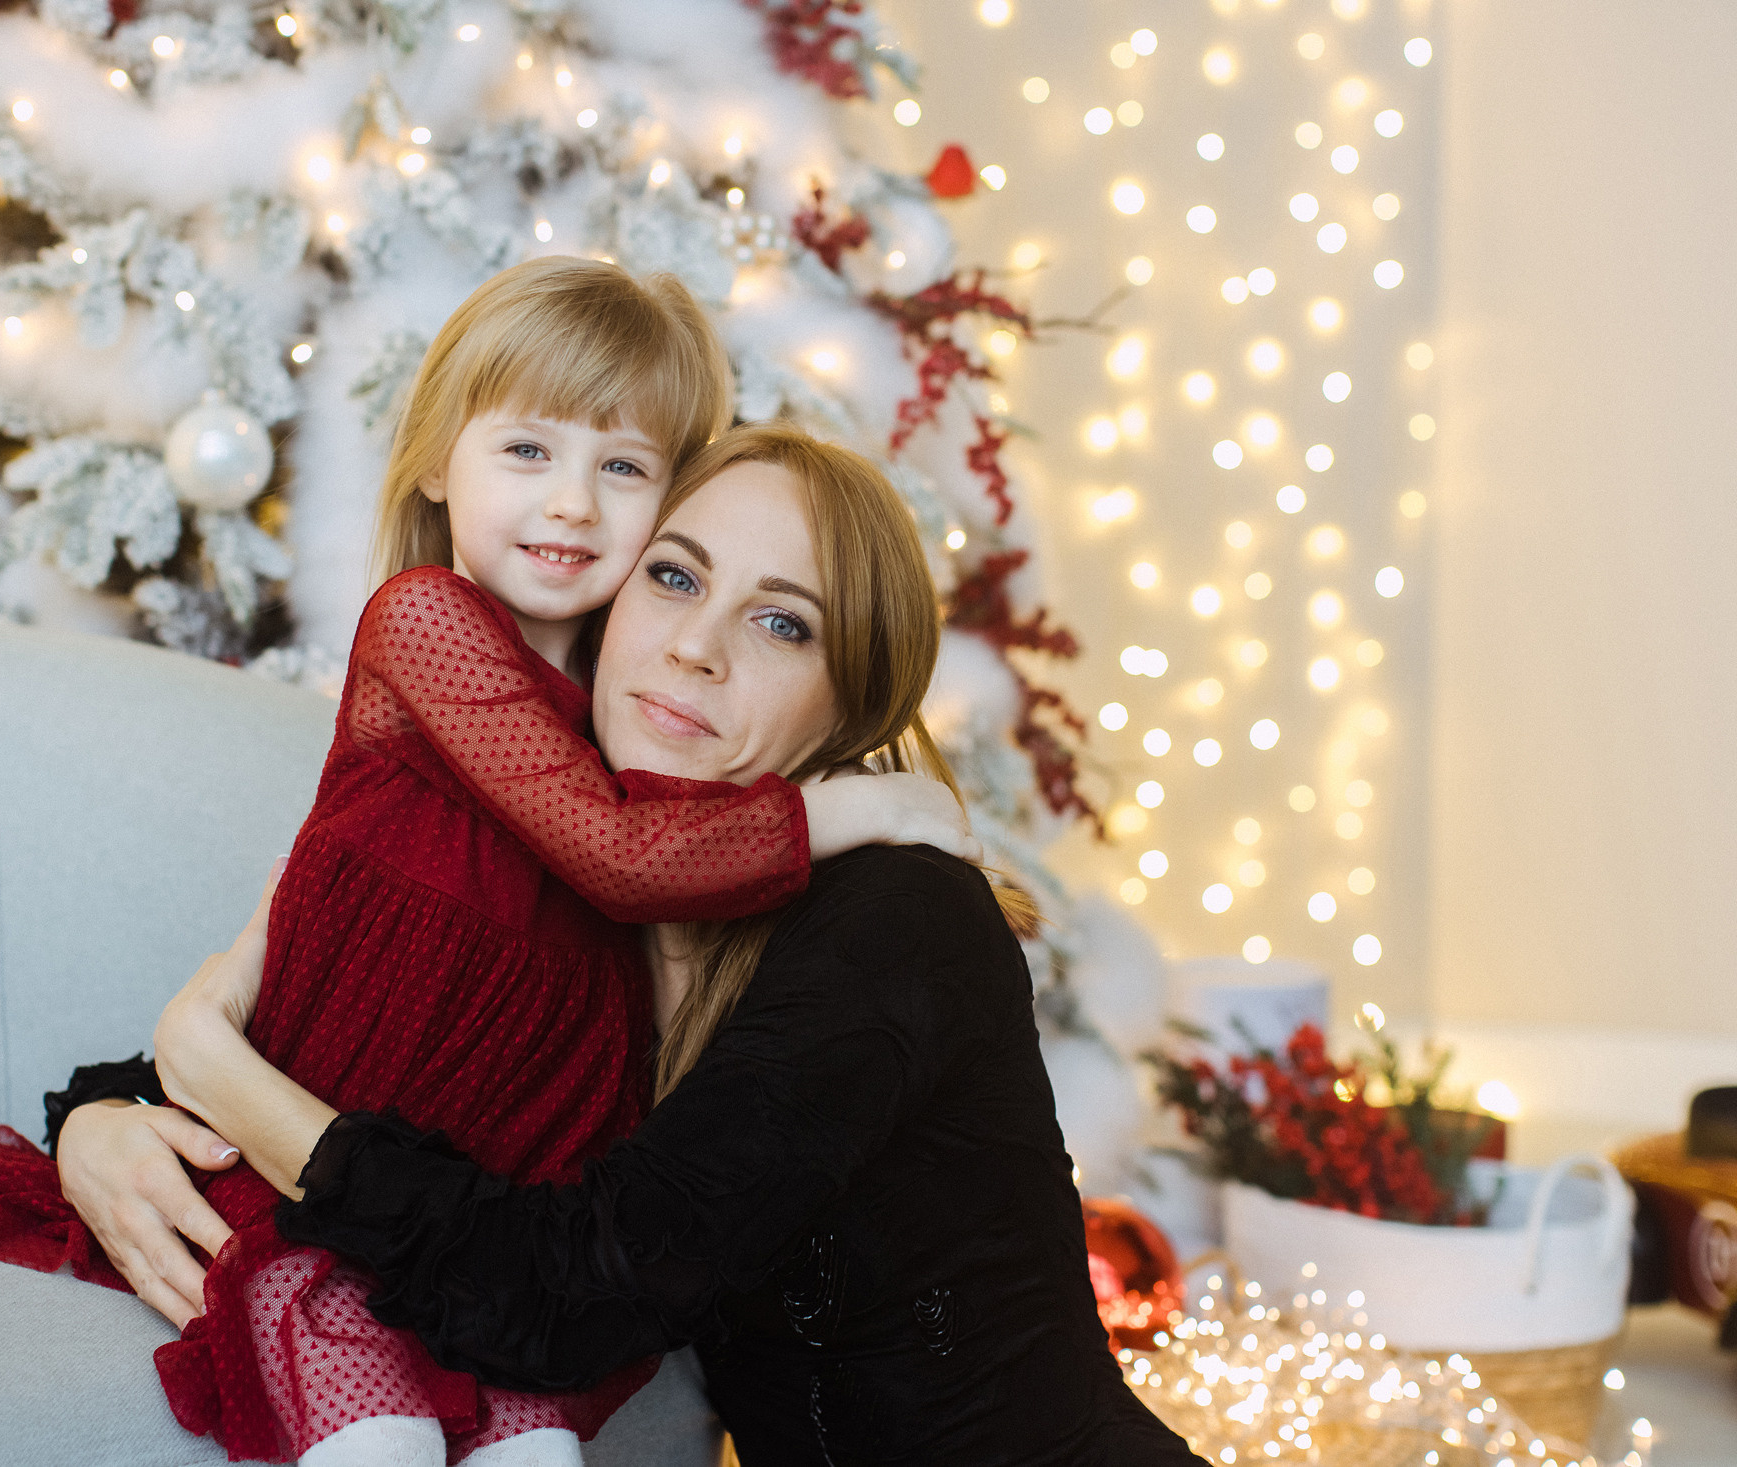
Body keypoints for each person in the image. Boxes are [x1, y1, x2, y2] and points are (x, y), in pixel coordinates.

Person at [0, 261, 975, 1467]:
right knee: (381, 1442)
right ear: (434, 465)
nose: (571, 505)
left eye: (622, 470)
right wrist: (853, 813)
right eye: (527, 453)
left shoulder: (636, 717)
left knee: (534, 1456)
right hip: (341, 1176)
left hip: (489, 1210)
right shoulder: (426, 620)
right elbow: (603, 862)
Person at [60, 425, 1206, 1465]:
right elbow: (330, 1043)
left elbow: (567, 1300)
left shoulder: (899, 922)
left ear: (847, 715)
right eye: (673, 576)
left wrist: (214, 1073)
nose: (696, 646)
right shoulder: (567, 884)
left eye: (780, 622)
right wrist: (103, 1122)